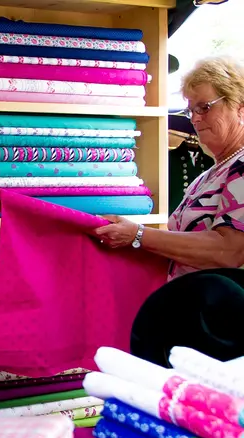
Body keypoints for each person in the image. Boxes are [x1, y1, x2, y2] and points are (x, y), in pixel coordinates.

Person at [94, 56, 244, 280]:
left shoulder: (241, 167)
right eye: (191, 111)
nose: (195, 118)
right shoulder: (207, 176)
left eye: (204, 107)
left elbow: (230, 251)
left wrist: (138, 234)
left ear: (240, 109)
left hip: (218, 310)